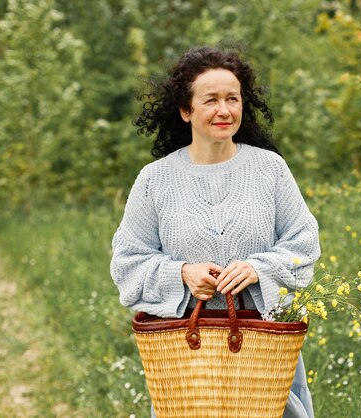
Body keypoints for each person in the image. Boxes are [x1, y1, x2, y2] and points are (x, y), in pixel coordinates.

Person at [110, 46, 320, 418]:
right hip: (187, 351)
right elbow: (127, 263)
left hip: (263, 348)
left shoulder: (270, 169)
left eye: (232, 99)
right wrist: (182, 274)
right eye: (210, 100)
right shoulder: (154, 180)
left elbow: (303, 243)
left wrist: (260, 268)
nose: (224, 110)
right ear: (185, 110)